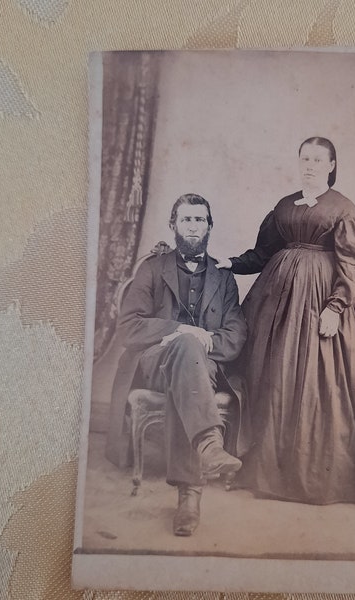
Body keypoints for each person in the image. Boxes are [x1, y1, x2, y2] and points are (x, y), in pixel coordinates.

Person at [217, 137, 355, 508]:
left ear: (332, 165)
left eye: (318, 160)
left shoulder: (343, 209)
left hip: (321, 302)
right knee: (274, 376)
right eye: (305, 158)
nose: (310, 165)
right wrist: (231, 264)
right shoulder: (284, 206)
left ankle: (319, 474)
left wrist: (335, 307)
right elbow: (263, 253)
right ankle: (267, 466)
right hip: (277, 305)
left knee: (319, 382)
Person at [106, 193, 248, 536]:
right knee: (185, 346)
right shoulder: (152, 270)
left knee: (189, 365)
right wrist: (178, 330)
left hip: (206, 366)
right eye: (186, 219)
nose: (193, 226)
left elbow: (237, 332)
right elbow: (128, 326)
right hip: (155, 359)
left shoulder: (223, 277)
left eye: (200, 219)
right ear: (173, 225)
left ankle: (192, 487)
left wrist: (207, 340)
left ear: (210, 226)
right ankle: (203, 462)